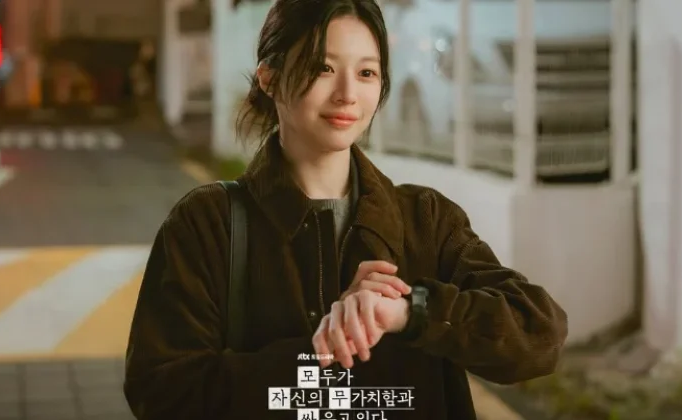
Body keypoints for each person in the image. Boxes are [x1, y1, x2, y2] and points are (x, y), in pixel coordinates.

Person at [123, 0, 568, 419]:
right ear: (269, 78)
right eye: (323, 68)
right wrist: (321, 356)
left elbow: (539, 335)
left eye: (367, 72)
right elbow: (163, 392)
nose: (347, 94)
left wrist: (407, 312)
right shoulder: (208, 223)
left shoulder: (425, 220)